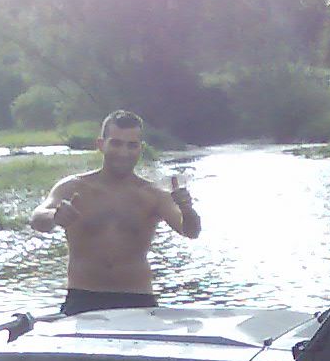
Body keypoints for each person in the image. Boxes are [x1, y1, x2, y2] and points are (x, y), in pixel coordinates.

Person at [29, 110, 201, 315]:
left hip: (138, 299)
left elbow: (190, 231)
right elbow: (37, 219)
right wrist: (54, 216)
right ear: (101, 145)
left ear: (140, 148)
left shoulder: (154, 194)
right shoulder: (74, 187)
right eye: (116, 143)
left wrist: (187, 209)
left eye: (132, 145)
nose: (124, 152)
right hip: (83, 298)